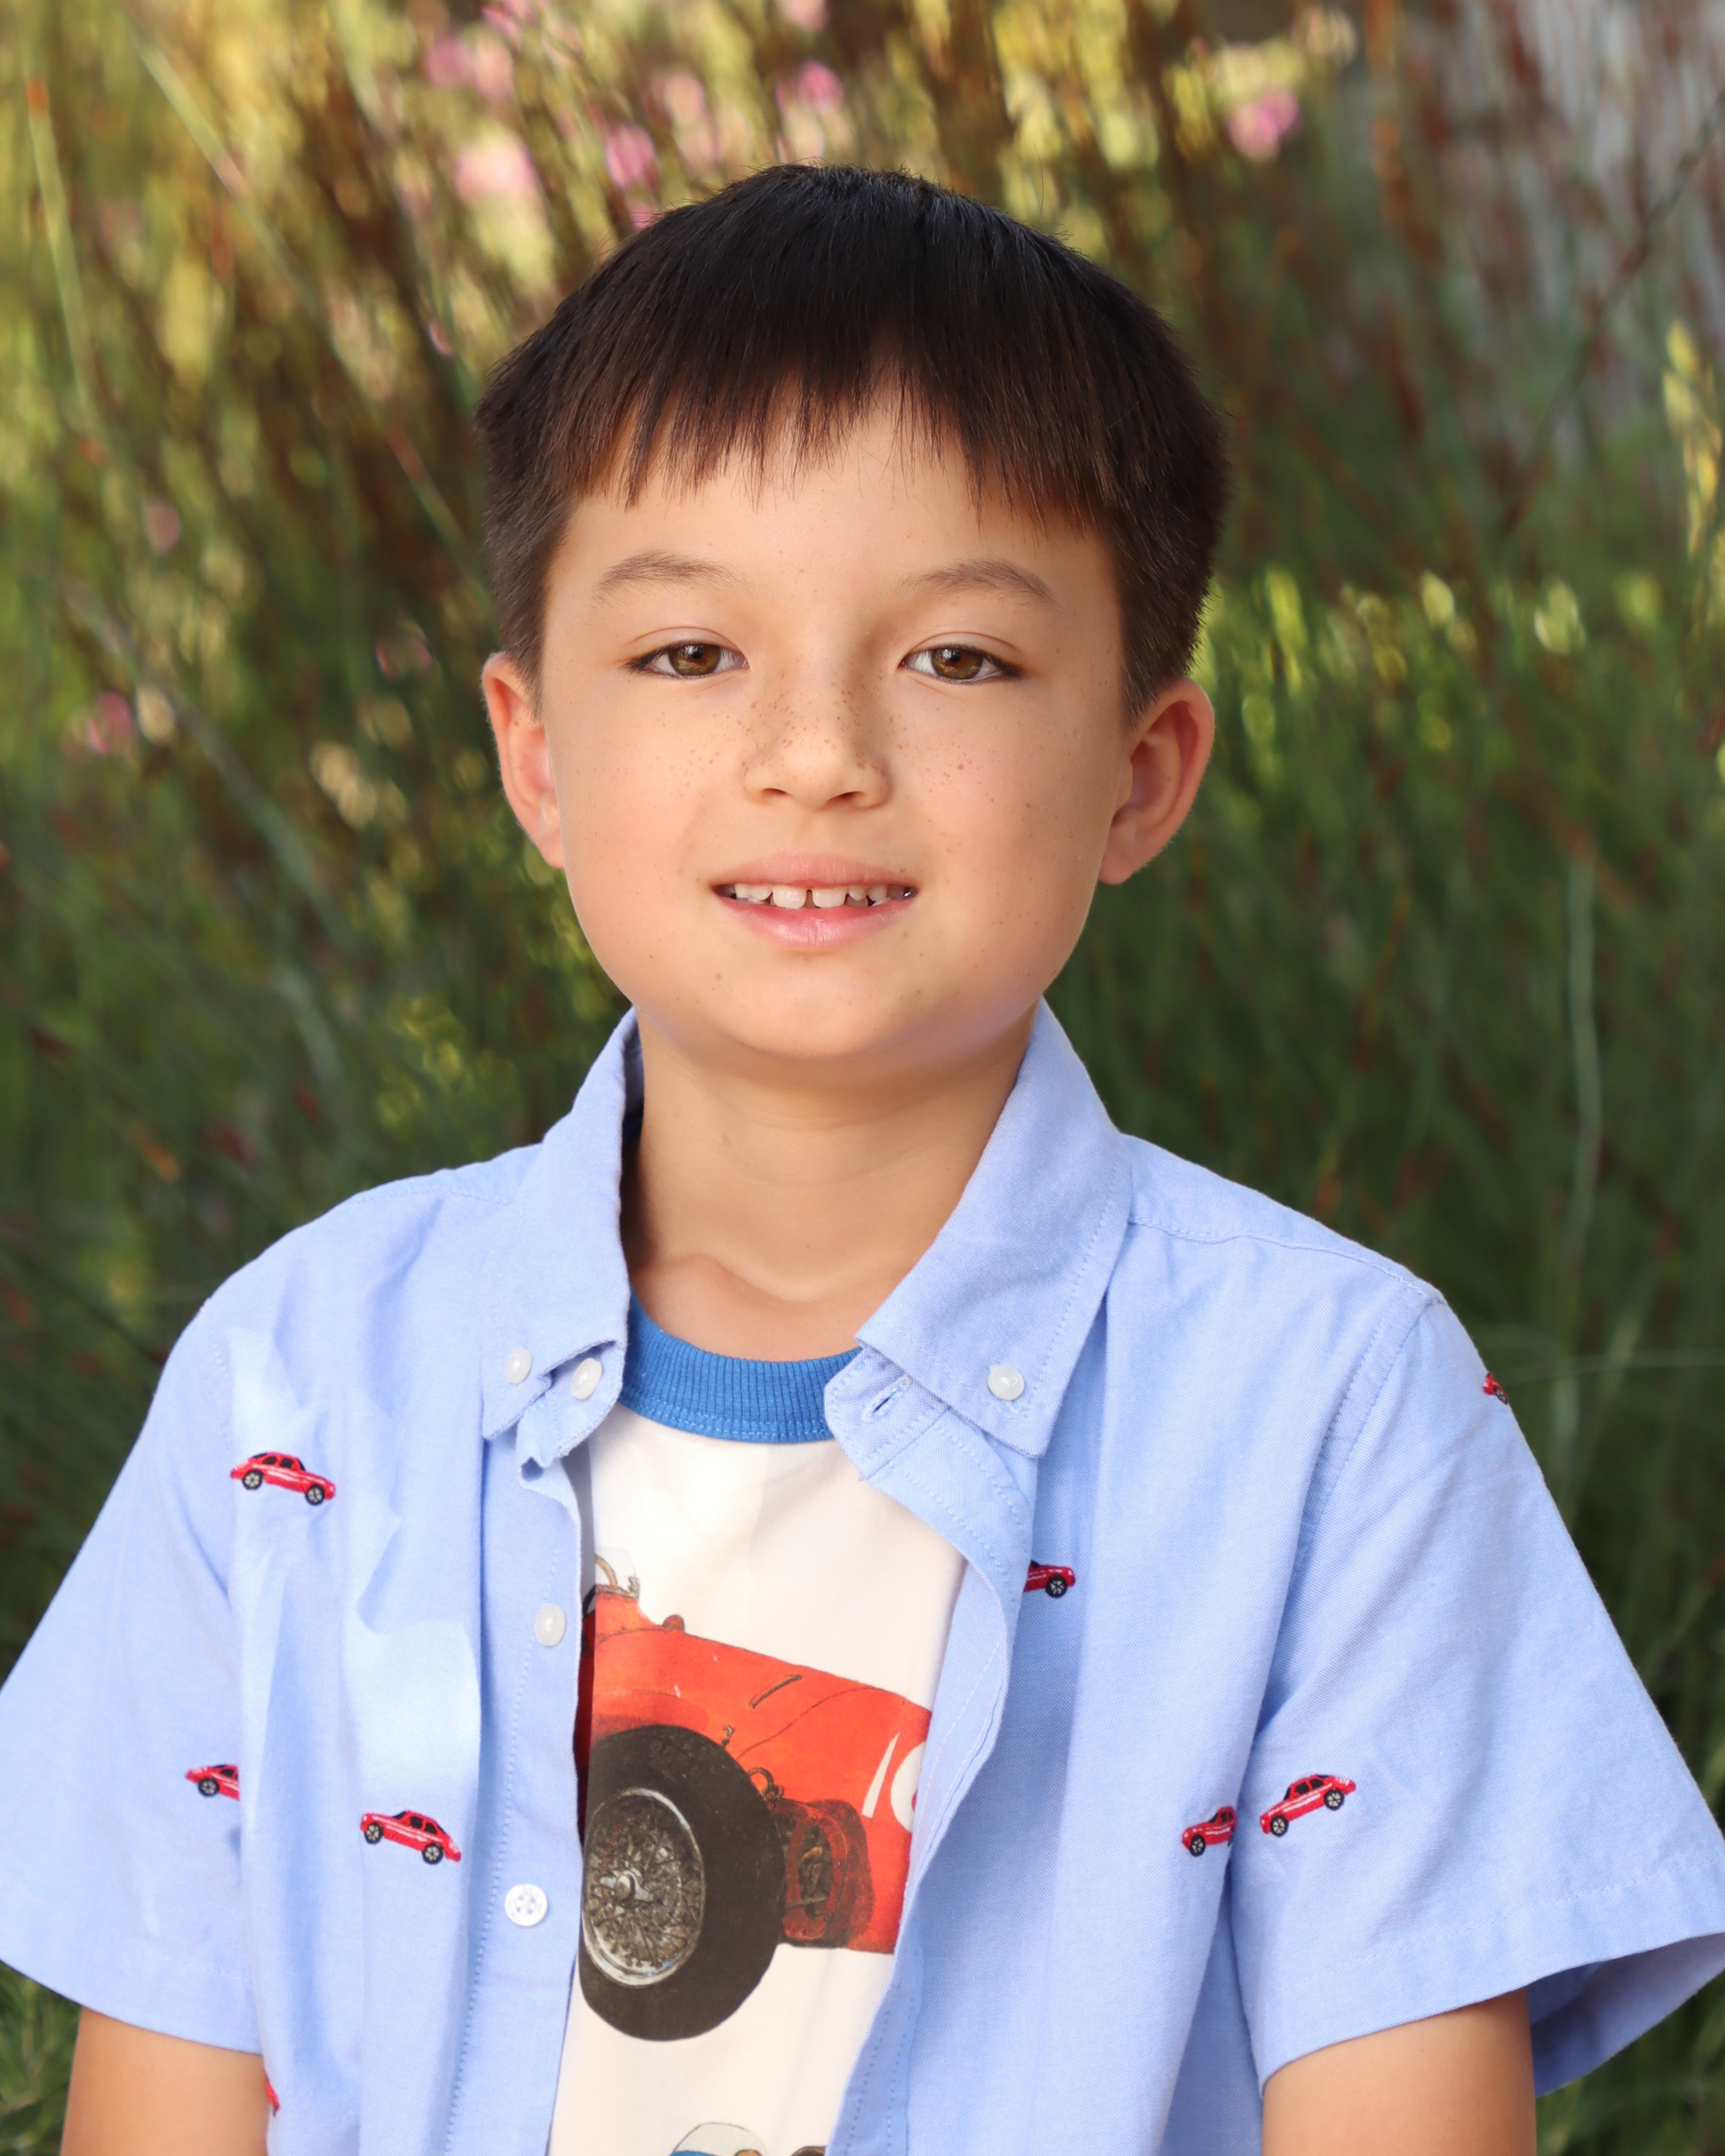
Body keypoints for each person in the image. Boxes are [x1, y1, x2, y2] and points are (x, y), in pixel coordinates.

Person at [0, 163, 1720, 2156]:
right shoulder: (295, 1384)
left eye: (958, 659)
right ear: (534, 752)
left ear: (1142, 772)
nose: (815, 752)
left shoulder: (1333, 1418)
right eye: (688, 654)